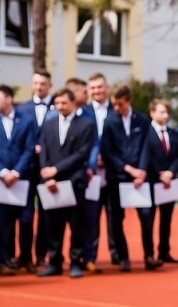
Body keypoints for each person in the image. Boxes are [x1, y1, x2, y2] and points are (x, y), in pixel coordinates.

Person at [0, 84, 38, 275]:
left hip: (23, 179)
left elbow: (29, 149)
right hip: (0, 180)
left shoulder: (27, 121)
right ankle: (1, 261)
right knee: (1, 224)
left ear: (9, 99)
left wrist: (17, 172)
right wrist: (3, 172)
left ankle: (26, 258)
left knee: (26, 221)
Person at [36, 87, 94, 278]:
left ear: (73, 103)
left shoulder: (86, 125)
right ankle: (54, 261)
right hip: (51, 183)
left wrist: (57, 169)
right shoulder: (48, 124)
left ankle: (76, 261)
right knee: (52, 225)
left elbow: (81, 154)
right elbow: (43, 149)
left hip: (74, 182)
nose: (60, 106)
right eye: (57, 103)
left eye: (64, 103)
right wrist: (48, 175)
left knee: (77, 225)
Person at [100, 84, 151, 271]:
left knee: (146, 217)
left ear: (128, 101)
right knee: (116, 219)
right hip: (118, 176)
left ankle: (149, 256)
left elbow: (146, 146)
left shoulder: (142, 120)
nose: (116, 108)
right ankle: (123, 258)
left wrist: (142, 171)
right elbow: (107, 150)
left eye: (119, 104)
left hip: (140, 178)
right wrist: (129, 169)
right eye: (114, 104)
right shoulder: (109, 121)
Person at [141, 99, 178, 266]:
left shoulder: (174, 134)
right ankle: (149, 255)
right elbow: (146, 155)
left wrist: (171, 172)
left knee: (166, 219)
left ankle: (164, 251)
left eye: (167, 112)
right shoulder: (146, 133)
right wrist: (159, 173)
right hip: (152, 181)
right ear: (152, 113)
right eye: (161, 112)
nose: (165, 115)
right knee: (149, 219)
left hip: (169, 183)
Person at [21, 71, 54, 269]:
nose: (38, 87)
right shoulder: (23, 108)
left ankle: (42, 254)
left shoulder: (58, 106)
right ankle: (24, 256)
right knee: (25, 215)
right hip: (27, 168)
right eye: (35, 83)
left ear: (50, 84)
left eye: (42, 83)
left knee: (46, 215)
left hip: (48, 169)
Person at [80, 73, 112, 270]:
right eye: (92, 88)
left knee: (114, 217)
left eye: (99, 87)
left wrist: (107, 158)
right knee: (91, 217)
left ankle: (117, 255)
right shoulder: (83, 111)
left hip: (112, 171)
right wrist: (93, 161)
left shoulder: (116, 110)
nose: (96, 91)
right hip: (91, 173)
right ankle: (89, 257)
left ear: (106, 88)